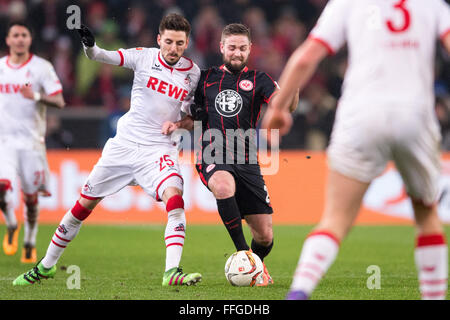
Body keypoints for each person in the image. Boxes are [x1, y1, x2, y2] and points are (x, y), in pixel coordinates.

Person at [263, 0, 450, 300]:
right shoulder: (431, 5)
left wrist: (278, 108)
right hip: (415, 115)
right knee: (426, 214)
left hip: (361, 114)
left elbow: (304, 59)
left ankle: (299, 292)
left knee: (335, 219)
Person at [13, 13, 202, 286]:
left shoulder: (193, 73)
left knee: (175, 199)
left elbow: (191, 118)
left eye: (180, 43)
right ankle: (46, 266)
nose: (173, 49)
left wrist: (179, 124)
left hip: (158, 150)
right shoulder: (143, 57)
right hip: (124, 145)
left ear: (187, 43)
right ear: (159, 39)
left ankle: (172, 272)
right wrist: (90, 46)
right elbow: (102, 56)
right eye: (169, 42)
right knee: (82, 206)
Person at [162, 23, 298, 286]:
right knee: (223, 186)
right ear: (222, 47)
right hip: (212, 152)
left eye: (242, 48)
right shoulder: (206, 78)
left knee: (265, 236)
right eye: (232, 47)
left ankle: (254, 266)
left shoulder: (261, 80)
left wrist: (295, 85)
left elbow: (286, 107)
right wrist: (178, 125)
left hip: (247, 158)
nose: (237, 53)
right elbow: (195, 116)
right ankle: (244, 254)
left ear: (250, 49)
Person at [0, 21, 65, 264]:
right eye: (15, 35)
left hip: (30, 142)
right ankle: (11, 223)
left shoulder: (41, 68)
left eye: (24, 35)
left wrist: (36, 95)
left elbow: (59, 101)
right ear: (8, 40)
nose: (19, 39)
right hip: (3, 142)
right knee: (1, 185)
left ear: (29, 39)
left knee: (30, 198)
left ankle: (29, 241)